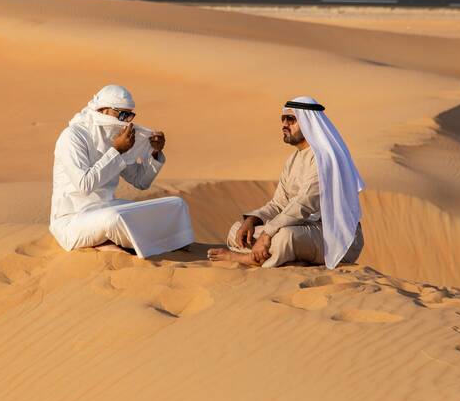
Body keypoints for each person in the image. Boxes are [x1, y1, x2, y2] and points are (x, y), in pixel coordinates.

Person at [208, 96, 364, 268]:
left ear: (308, 122)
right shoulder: (293, 160)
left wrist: (267, 233)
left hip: (335, 236)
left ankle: (247, 259)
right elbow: (278, 204)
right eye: (283, 119)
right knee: (237, 230)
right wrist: (252, 220)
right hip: (303, 229)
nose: (284, 124)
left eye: (291, 119)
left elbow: (304, 204)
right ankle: (288, 259)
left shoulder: (324, 158)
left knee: (285, 237)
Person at [49, 84, 194, 258]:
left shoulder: (115, 138)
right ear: (103, 110)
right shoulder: (73, 136)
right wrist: (117, 151)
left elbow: (141, 181)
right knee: (114, 218)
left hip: (108, 206)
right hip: (73, 218)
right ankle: (134, 242)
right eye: (122, 114)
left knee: (176, 205)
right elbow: (84, 185)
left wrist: (154, 153)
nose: (126, 121)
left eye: (130, 115)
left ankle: (120, 242)